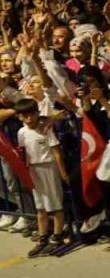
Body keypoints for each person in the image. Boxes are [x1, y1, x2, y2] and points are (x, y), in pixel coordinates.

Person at [13, 98, 69, 257]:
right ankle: (42, 237)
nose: (29, 118)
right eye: (25, 116)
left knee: (55, 204)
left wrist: (62, 172)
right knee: (40, 207)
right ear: (20, 117)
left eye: (32, 114)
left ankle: (57, 236)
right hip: (33, 169)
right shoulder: (21, 132)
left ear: (37, 113)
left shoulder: (45, 129)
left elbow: (56, 152)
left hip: (48, 167)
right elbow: (23, 153)